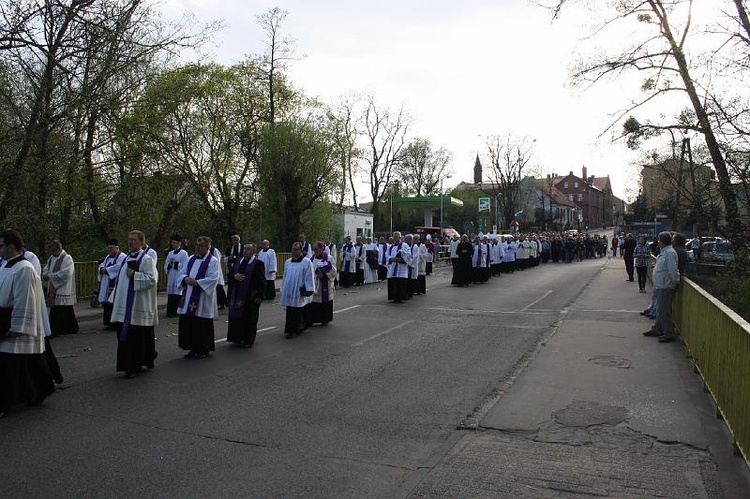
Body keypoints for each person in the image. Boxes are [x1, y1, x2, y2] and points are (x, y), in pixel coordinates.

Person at [0, 229, 56, 418]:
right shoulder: (6, 266)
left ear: (10, 246)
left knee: (14, 365)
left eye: (1, 246)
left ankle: (10, 401)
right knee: (20, 366)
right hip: (3, 319)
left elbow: (24, 299)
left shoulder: (25, 268)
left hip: (13, 321)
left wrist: (17, 327)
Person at [109, 230, 158, 378]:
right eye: (129, 240)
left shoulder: (147, 259)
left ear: (142, 242)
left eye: (134, 240)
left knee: (136, 338)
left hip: (138, 306)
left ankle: (134, 367)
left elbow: (152, 280)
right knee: (124, 337)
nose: (131, 242)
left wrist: (135, 276)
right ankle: (126, 364)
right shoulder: (126, 258)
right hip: (124, 304)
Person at [178, 236, 220, 359]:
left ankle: (203, 349)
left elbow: (213, 278)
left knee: (201, 324)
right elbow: (182, 272)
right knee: (190, 323)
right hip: (189, 295)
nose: (198, 248)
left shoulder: (213, 261)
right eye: (197, 245)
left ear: (208, 247)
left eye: (201, 246)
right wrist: (185, 279)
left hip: (202, 298)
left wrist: (197, 283)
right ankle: (192, 348)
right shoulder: (191, 259)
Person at [643, 232, 680, 343]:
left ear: (661, 242)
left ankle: (668, 333)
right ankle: (657, 329)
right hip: (661, 285)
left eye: (659, 240)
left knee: (664, 310)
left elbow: (672, 270)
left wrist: (675, 282)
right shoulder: (665, 252)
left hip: (666, 285)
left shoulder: (669, 253)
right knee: (661, 309)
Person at [226, 243, 265, 348]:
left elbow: (261, 281)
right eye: (244, 249)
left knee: (249, 318)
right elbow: (229, 275)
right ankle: (237, 337)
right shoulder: (239, 261)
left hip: (250, 296)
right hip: (237, 293)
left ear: (253, 251)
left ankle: (248, 339)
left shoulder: (258, 263)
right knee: (236, 317)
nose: (245, 251)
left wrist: (259, 296)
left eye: (248, 249)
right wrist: (235, 276)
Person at [280, 242, 315, 338]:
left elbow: (309, 277)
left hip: (299, 289)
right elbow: (285, 276)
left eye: (296, 249)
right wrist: (283, 288)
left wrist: (309, 289)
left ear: (301, 251)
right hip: (289, 289)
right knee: (290, 309)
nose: (294, 251)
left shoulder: (307, 262)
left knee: (297, 310)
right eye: (293, 249)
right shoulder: (287, 262)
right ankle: (289, 328)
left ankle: (295, 329)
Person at [43, 240, 79, 336]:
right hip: (54, 288)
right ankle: (71, 327)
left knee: (61, 310)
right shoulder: (51, 258)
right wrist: (45, 275)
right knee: (66, 310)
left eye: (54, 250)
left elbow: (66, 273)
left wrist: (50, 276)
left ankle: (58, 329)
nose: (53, 252)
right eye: (52, 251)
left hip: (63, 288)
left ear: (59, 249)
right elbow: (46, 268)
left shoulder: (67, 258)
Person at [98, 239, 126, 329]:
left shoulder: (122, 256)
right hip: (107, 282)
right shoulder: (108, 257)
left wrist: (106, 270)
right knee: (107, 303)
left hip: (115, 283)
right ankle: (108, 323)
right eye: (108, 248)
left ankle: (115, 323)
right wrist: (102, 268)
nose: (110, 250)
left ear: (117, 248)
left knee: (113, 302)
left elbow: (119, 267)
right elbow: (102, 264)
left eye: (111, 248)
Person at [309, 241, 336, 326]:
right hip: (314, 283)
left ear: (321, 248)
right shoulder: (312, 258)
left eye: (316, 249)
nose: (315, 251)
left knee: (325, 302)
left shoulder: (328, 258)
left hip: (325, 283)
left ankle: (325, 318)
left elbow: (334, 271)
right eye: (314, 249)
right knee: (314, 302)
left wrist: (324, 274)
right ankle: (314, 319)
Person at [164, 235, 189, 317]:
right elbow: (166, 264)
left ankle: (177, 311)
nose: (172, 244)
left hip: (178, 275)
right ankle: (170, 311)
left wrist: (176, 263)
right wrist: (170, 264)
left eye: (174, 242)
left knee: (177, 294)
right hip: (171, 275)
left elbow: (186, 265)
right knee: (171, 294)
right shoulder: (170, 253)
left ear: (179, 243)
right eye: (172, 242)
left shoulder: (184, 253)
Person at [386, 231, 411, 303]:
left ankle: (400, 297)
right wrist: (391, 259)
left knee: (400, 282)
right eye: (393, 237)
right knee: (393, 282)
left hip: (401, 267)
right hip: (393, 267)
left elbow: (408, 255)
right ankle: (394, 297)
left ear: (400, 237)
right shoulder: (391, 247)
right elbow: (387, 255)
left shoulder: (405, 246)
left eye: (395, 237)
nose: (394, 239)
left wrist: (401, 259)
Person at [210, 244, 227, 311]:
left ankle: (221, 303)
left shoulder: (215, 250)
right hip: (212, 271)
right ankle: (223, 302)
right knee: (218, 289)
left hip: (216, 271)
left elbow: (217, 260)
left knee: (219, 289)